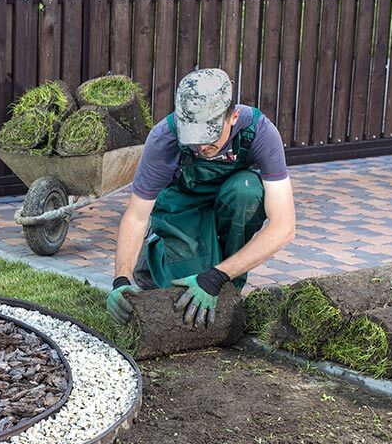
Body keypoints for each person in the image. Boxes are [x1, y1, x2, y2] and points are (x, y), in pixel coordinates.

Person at [106, 68, 296, 328]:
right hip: (182, 207)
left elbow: (283, 227)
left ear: (233, 117)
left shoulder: (260, 132)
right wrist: (121, 279)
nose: (201, 147)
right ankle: (151, 262)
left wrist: (216, 277)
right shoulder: (165, 137)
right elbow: (136, 216)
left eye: (209, 136)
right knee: (184, 297)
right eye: (193, 137)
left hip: (229, 203)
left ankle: (224, 276)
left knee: (247, 190)